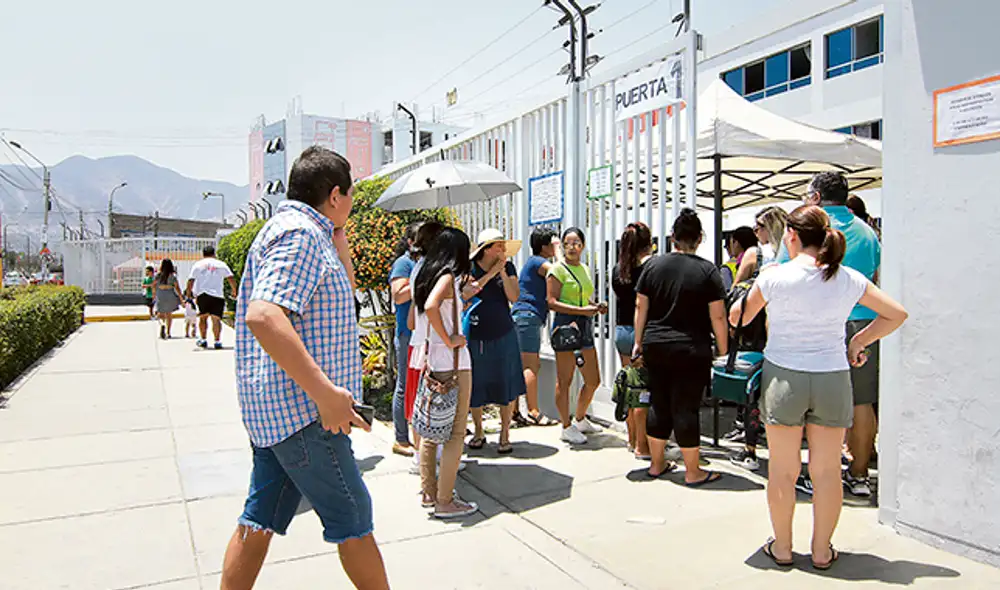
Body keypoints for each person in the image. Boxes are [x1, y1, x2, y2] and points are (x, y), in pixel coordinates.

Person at [220, 146, 389, 590]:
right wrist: (326, 395)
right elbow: (264, 315)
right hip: (305, 417)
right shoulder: (300, 236)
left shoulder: (307, 233)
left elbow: (341, 294)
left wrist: (340, 235)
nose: (351, 202)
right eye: (350, 194)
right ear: (335, 195)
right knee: (353, 518)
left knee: (258, 519)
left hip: (278, 415)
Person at [729, 205, 906, 569]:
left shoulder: (775, 276)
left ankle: (781, 547)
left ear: (791, 236)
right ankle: (823, 551)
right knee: (826, 471)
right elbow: (896, 314)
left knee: (783, 469)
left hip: (784, 376)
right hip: (832, 377)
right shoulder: (848, 278)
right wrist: (859, 343)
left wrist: (754, 285)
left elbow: (739, 318)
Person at [786, 173, 883, 498]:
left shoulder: (810, 229)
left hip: (818, 323)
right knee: (862, 401)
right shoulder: (868, 233)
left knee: (816, 403)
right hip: (864, 324)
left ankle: (817, 474)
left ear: (814, 197)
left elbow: (781, 270)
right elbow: (879, 276)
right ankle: (859, 475)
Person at [633, 209, 728, 483]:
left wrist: (639, 341)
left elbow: (641, 306)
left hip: (656, 344)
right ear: (699, 238)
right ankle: (693, 471)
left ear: (673, 237)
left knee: (659, 404)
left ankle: (656, 464)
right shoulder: (708, 270)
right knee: (686, 407)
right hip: (691, 348)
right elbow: (718, 316)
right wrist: (723, 349)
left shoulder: (652, 266)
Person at [412, 227, 479, 518]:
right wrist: (451, 338)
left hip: (436, 362)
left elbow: (427, 309)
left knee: (430, 431)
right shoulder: (447, 277)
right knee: (454, 434)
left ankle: (429, 492)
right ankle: (445, 500)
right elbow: (432, 307)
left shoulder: (427, 275)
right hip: (454, 363)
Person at [466, 228, 525, 454]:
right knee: (476, 383)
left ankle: (504, 433)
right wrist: (490, 274)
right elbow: (467, 292)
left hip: (503, 330)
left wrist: (501, 272)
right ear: (486, 249)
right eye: (498, 245)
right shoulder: (470, 269)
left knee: (505, 383)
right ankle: (479, 431)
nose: (502, 249)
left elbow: (514, 296)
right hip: (476, 332)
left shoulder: (508, 267)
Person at [547, 227, 608, 445]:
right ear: (562, 246)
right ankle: (565, 425)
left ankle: (580, 418)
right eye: (568, 243)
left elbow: (583, 296)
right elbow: (551, 301)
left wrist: (595, 306)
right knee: (565, 380)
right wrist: (582, 311)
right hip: (565, 325)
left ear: (582, 245)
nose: (572, 247)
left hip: (585, 325)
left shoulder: (584, 268)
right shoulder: (557, 269)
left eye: (576, 243)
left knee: (593, 379)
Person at [612, 221, 654, 460]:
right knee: (642, 391)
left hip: (622, 332)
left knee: (630, 388)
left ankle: (631, 439)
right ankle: (642, 444)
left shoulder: (618, 270)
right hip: (641, 332)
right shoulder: (647, 271)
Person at [511, 227, 560, 426]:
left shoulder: (532, 262)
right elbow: (559, 272)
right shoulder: (539, 262)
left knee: (520, 365)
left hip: (522, 317)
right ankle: (533, 411)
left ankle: (514, 411)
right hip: (528, 317)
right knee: (531, 365)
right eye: (553, 243)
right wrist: (558, 254)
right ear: (545, 246)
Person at [388, 222, 422, 458]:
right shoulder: (404, 263)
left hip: (423, 333)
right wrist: (420, 278)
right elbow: (398, 296)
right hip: (407, 333)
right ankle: (401, 438)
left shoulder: (423, 263)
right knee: (405, 385)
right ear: (411, 241)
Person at [186, 245, 238, 349]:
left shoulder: (198, 265)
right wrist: (234, 291)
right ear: (214, 254)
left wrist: (188, 294)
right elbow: (230, 278)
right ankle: (217, 341)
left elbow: (191, 280)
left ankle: (204, 339)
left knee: (203, 318)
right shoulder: (220, 264)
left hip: (202, 294)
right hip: (217, 295)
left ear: (203, 254)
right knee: (216, 319)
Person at [734, 207, 789, 285]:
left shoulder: (753, 253)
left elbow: (736, 290)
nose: (756, 234)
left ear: (769, 228)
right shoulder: (796, 252)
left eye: (756, 229)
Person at [153, 259, 184, 339]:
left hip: (161, 294)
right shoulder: (172, 276)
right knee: (169, 314)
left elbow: (154, 285)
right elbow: (177, 288)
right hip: (170, 294)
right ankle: (168, 332)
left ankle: (162, 324)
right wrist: (181, 299)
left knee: (160, 313)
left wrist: (154, 295)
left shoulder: (158, 275)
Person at [720, 227, 757, 292]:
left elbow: (728, 293)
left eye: (732, 242)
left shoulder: (727, 267)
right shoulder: (764, 258)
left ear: (736, 243)